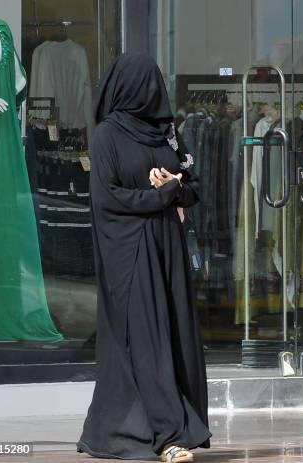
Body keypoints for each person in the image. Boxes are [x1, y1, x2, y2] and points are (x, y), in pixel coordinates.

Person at [76, 53, 211, 462]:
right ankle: (166, 437)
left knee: (172, 338)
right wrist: (162, 196)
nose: (156, 91)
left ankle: (146, 429)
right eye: (148, 83)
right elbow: (107, 198)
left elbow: (194, 187)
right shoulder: (107, 136)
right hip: (129, 252)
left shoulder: (167, 134)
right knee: (146, 340)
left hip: (166, 247)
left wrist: (175, 184)